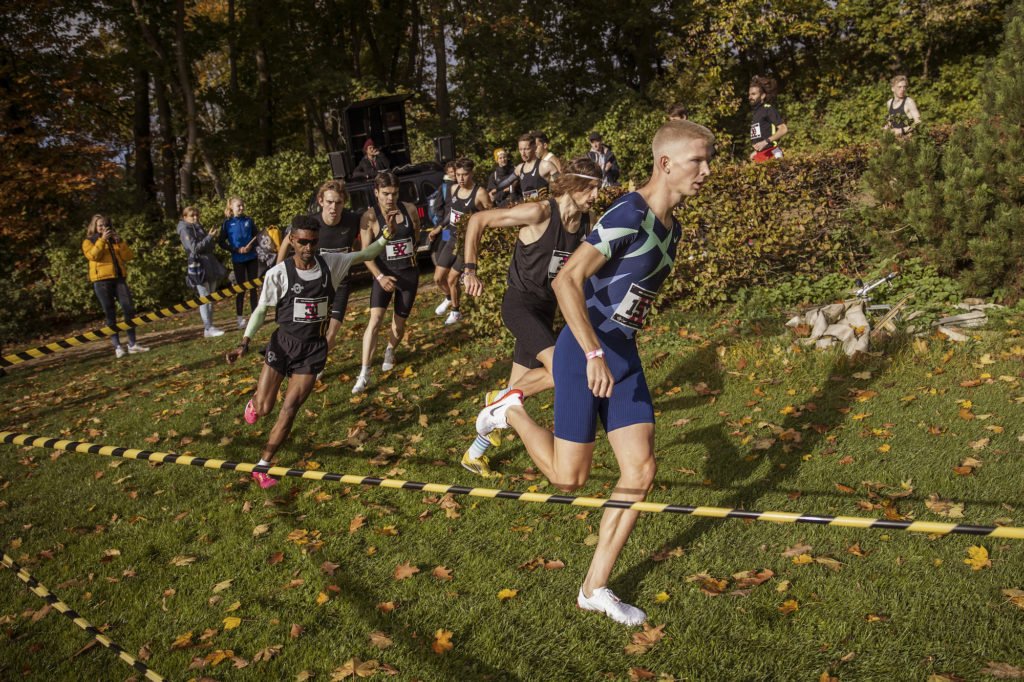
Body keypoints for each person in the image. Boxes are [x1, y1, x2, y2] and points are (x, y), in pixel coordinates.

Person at [474, 121, 714, 625]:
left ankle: (594, 588)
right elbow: (567, 280)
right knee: (569, 477)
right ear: (666, 163)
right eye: (698, 160)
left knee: (641, 471)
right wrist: (591, 354)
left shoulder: (674, 228)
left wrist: (614, 348)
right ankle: (509, 408)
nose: (707, 171)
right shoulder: (629, 212)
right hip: (584, 351)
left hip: (622, 353)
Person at [226, 215, 393, 488]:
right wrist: (244, 342)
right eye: (302, 241)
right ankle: (255, 403)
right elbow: (261, 310)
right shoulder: (278, 273)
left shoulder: (331, 264)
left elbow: (367, 253)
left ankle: (263, 465)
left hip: (313, 349)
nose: (308, 247)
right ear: (291, 240)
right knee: (266, 407)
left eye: (313, 242)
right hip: (283, 344)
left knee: (290, 408)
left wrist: (386, 235)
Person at [460, 157, 602, 477]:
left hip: (545, 311)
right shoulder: (540, 212)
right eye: (591, 188)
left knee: (514, 396)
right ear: (574, 184)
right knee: (560, 371)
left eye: (598, 188)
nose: (596, 195)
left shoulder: (585, 222)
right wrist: (470, 269)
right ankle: (498, 400)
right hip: (519, 306)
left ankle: (475, 453)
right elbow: (477, 221)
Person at [352, 171, 422, 394]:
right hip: (383, 275)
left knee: (399, 324)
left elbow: (416, 235)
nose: (390, 198)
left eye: (394, 193)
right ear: (376, 192)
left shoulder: (409, 209)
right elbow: (365, 254)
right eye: (385, 194)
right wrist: (380, 277)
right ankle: (364, 373)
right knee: (375, 320)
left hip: (408, 274)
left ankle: (391, 348)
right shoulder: (369, 217)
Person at [276, 180, 363, 355]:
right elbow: (287, 241)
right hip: (316, 287)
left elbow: (358, 244)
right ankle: (307, 361)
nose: (333, 207)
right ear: (321, 201)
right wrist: (279, 270)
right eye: (329, 202)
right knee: (313, 332)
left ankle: (317, 367)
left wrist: (350, 256)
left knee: (331, 332)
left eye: (338, 203)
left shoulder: (353, 220)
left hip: (341, 285)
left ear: (343, 203)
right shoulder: (312, 223)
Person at [430, 157, 493, 325]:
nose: (461, 178)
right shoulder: (453, 189)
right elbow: (451, 213)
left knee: (452, 279)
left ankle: (456, 311)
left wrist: (484, 239)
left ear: (471, 173)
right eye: (458, 175)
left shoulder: (480, 193)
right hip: (451, 238)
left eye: (465, 175)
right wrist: (439, 228)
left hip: (467, 244)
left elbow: (493, 217)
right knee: (438, 277)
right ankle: (450, 297)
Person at [82, 214, 150, 358]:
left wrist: (121, 243)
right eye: (100, 225)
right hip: (101, 281)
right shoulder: (88, 241)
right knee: (110, 312)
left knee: (129, 308)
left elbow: (128, 257)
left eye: (105, 225)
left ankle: (132, 344)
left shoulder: (114, 240)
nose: (103, 228)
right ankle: (117, 346)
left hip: (119, 278)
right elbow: (93, 256)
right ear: (94, 226)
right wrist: (102, 240)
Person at [177, 206, 228, 338]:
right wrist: (209, 237)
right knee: (204, 297)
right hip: (198, 266)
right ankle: (208, 327)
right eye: (192, 216)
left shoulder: (199, 227)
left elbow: (209, 246)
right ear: (185, 217)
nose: (195, 218)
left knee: (210, 296)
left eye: (196, 215)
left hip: (209, 264)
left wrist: (210, 237)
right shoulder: (184, 229)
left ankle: (210, 326)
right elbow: (194, 248)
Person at [218, 196, 260, 329]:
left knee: (253, 287)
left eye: (242, 205)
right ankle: (240, 319)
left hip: (252, 258)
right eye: (238, 206)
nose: (241, 208)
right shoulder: (227, 224)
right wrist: (235, 249)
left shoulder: (249, 220)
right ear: (231, 208)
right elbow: (221, 242)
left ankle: (255, 316)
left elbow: (257, 236)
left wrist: (250, 247)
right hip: (238, 260)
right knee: (241, 289)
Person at [748, 75, 788, 162]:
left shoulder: (768, 109)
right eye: (749, 94)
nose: (750, 97)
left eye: (753, 94)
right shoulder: (755, 114)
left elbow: (783, 129)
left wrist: (765, 142)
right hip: (761, 155)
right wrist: (755, 152)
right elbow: (760, 137)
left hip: (773, 152)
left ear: (762, 96)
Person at [514, 133, 558, 200]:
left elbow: (561, 186)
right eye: (520, 149)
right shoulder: (519, 168)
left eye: (526, 149)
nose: (523, 153)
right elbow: (506, 183)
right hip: (528, 208)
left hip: (545, 208)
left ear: (534, 147)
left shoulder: (546, 165)